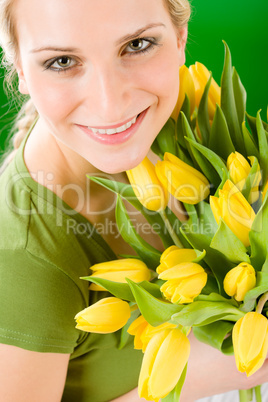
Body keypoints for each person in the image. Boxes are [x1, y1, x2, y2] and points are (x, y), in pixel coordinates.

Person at [0, 0, 267, 401]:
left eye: (138, 45)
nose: (110, 104)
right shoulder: (25, 261)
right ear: (20, 68)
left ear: (180, 38)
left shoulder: (191, 115)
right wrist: (198, 375)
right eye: (61, 61)